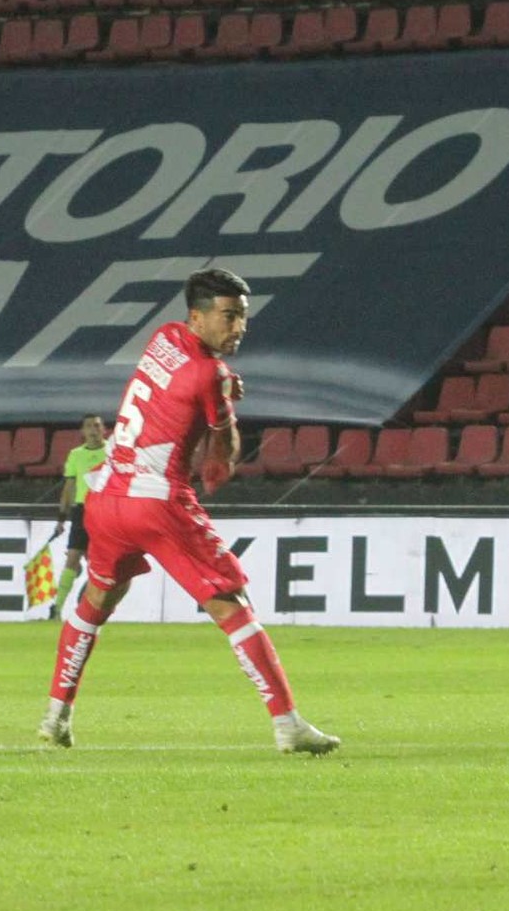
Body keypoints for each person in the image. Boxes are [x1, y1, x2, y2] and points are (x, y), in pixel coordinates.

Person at [37, 268, 340, 756]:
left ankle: (56, 714)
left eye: (242, 316)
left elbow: (174, 392)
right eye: (228, 316)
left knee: (96, 600)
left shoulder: (164, 338)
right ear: (196, 317)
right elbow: (222, 451)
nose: (239, 326)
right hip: (157, 501)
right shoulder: (211, 373)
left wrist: (216, 394)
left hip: (106, 496)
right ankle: (287, 724)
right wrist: (221, 440)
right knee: (231, 601)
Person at [48, 413, 109, 621]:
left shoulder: (113, 452)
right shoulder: (76, 455)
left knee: (98, 565)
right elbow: (69, 487)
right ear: (82, 432)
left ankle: (89, 609)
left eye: (97, 426)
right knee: (72, 557)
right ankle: (56, 609)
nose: (94, 430)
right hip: (82, 511)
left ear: (104, 430)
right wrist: (61, 517)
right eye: (89, 426)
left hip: (106, 511)